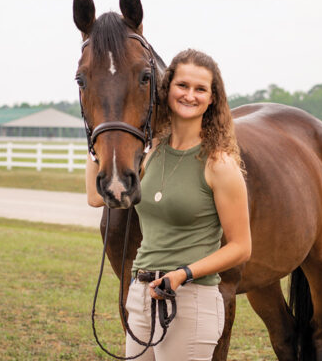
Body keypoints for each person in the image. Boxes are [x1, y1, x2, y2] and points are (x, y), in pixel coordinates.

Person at [86, 49, 251, 361]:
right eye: (183, 85)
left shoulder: (219, 164)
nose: (190, 95)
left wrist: (183, 273)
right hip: (141, 295)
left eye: (200, 89)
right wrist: (100, 134)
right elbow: (96, 198)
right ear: (167, 89)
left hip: (189, 299)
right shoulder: (153, 152)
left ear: (212, 98)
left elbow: (241, 247)